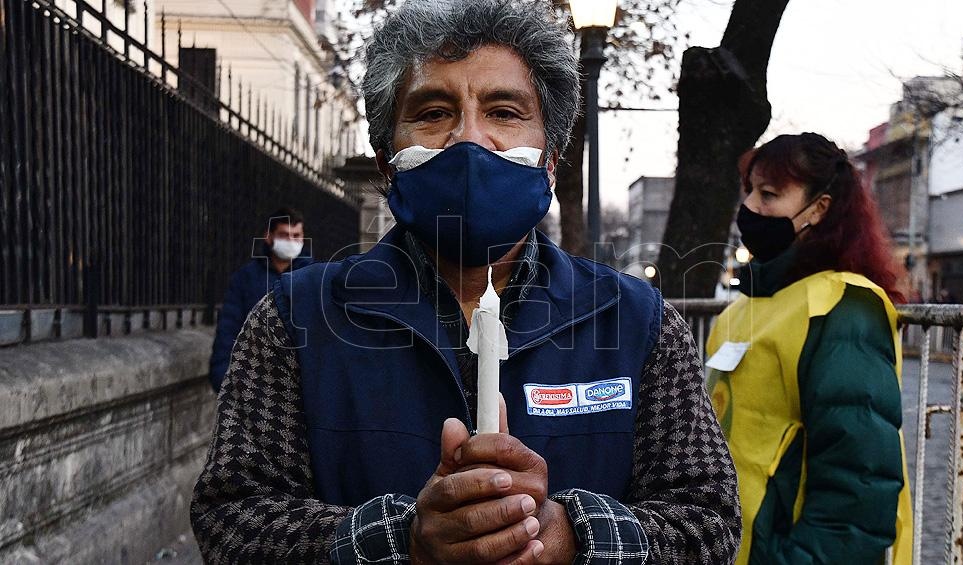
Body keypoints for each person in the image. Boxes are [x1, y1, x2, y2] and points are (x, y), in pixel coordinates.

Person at [191, 1, 741, 563]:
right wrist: (400, 540)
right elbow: (231, 517)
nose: (469, 141)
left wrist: (573, 537)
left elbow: (710, 518)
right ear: (386, 162)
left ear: (550, 159)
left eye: (504, 111)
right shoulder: (294, 318)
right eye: (433, 112)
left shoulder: (637, 323)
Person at [705, 132, 914, 564]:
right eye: (750, 192)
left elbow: (856, 485)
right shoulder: (736, 312)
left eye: (770, 194)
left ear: (818, 208)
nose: (751, 209)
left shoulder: (842, 308)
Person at [207, 207, 312, 392]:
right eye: (284, 235)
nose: (291, 241)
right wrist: (225, 382)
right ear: (269, 236)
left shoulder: (313, 278)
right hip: (255, 386)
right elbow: (228, 330)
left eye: (296, 236)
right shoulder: (246, 278)